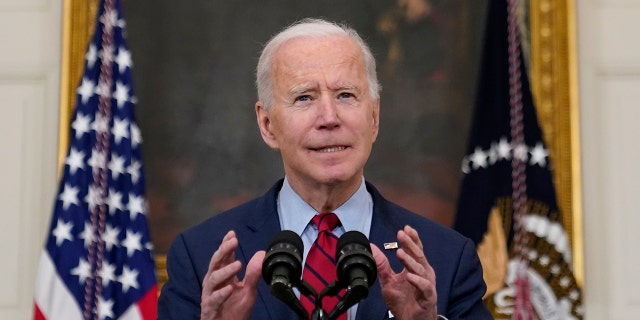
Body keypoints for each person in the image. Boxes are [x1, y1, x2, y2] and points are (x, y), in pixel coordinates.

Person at [158, 18, 492, 320]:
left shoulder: (447, 258)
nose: (330, 118)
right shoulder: (200, 256)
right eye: (304, 98)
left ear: (374, 117)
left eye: (346, 95)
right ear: (267, 124)